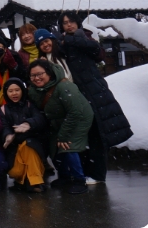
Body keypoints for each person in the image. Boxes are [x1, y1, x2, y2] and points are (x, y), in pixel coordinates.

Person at [57, 12, 132, 185]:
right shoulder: (61, 42)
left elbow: (97, 51)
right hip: (78, 92)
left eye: (71, 21)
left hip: (94, 91)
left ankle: (98, 175)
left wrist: (72, 40)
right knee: (84, 134)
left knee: (98, 133)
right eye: (65, 23)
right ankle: (85, 172)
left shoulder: (85, 37)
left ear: (78, 23)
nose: (69, 25)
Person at [26, 60, 93, 194]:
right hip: (59, 121)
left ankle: (79, 180)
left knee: (67, 146)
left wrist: (63, 135)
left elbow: (75, 111)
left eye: (40, 74)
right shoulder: (36, 89)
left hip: (78, 119)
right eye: (33, 75)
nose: (36, 78)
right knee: (53, 147)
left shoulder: (64, 86)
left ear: (49, 73)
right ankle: (64, 176)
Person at [0, 78, 47, 193]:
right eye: (10, 91)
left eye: (17, 90)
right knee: (16, 170)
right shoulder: (3, 109)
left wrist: (28, 124)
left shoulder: (30, 105)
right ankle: (26, 181)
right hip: (14, 147)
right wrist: (8, 136)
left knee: (28, 146)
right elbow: (4, 126)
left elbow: (40, 119)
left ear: (22, 90)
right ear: (6, 93)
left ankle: (34, 182)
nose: (14, 93)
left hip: (33, 143)